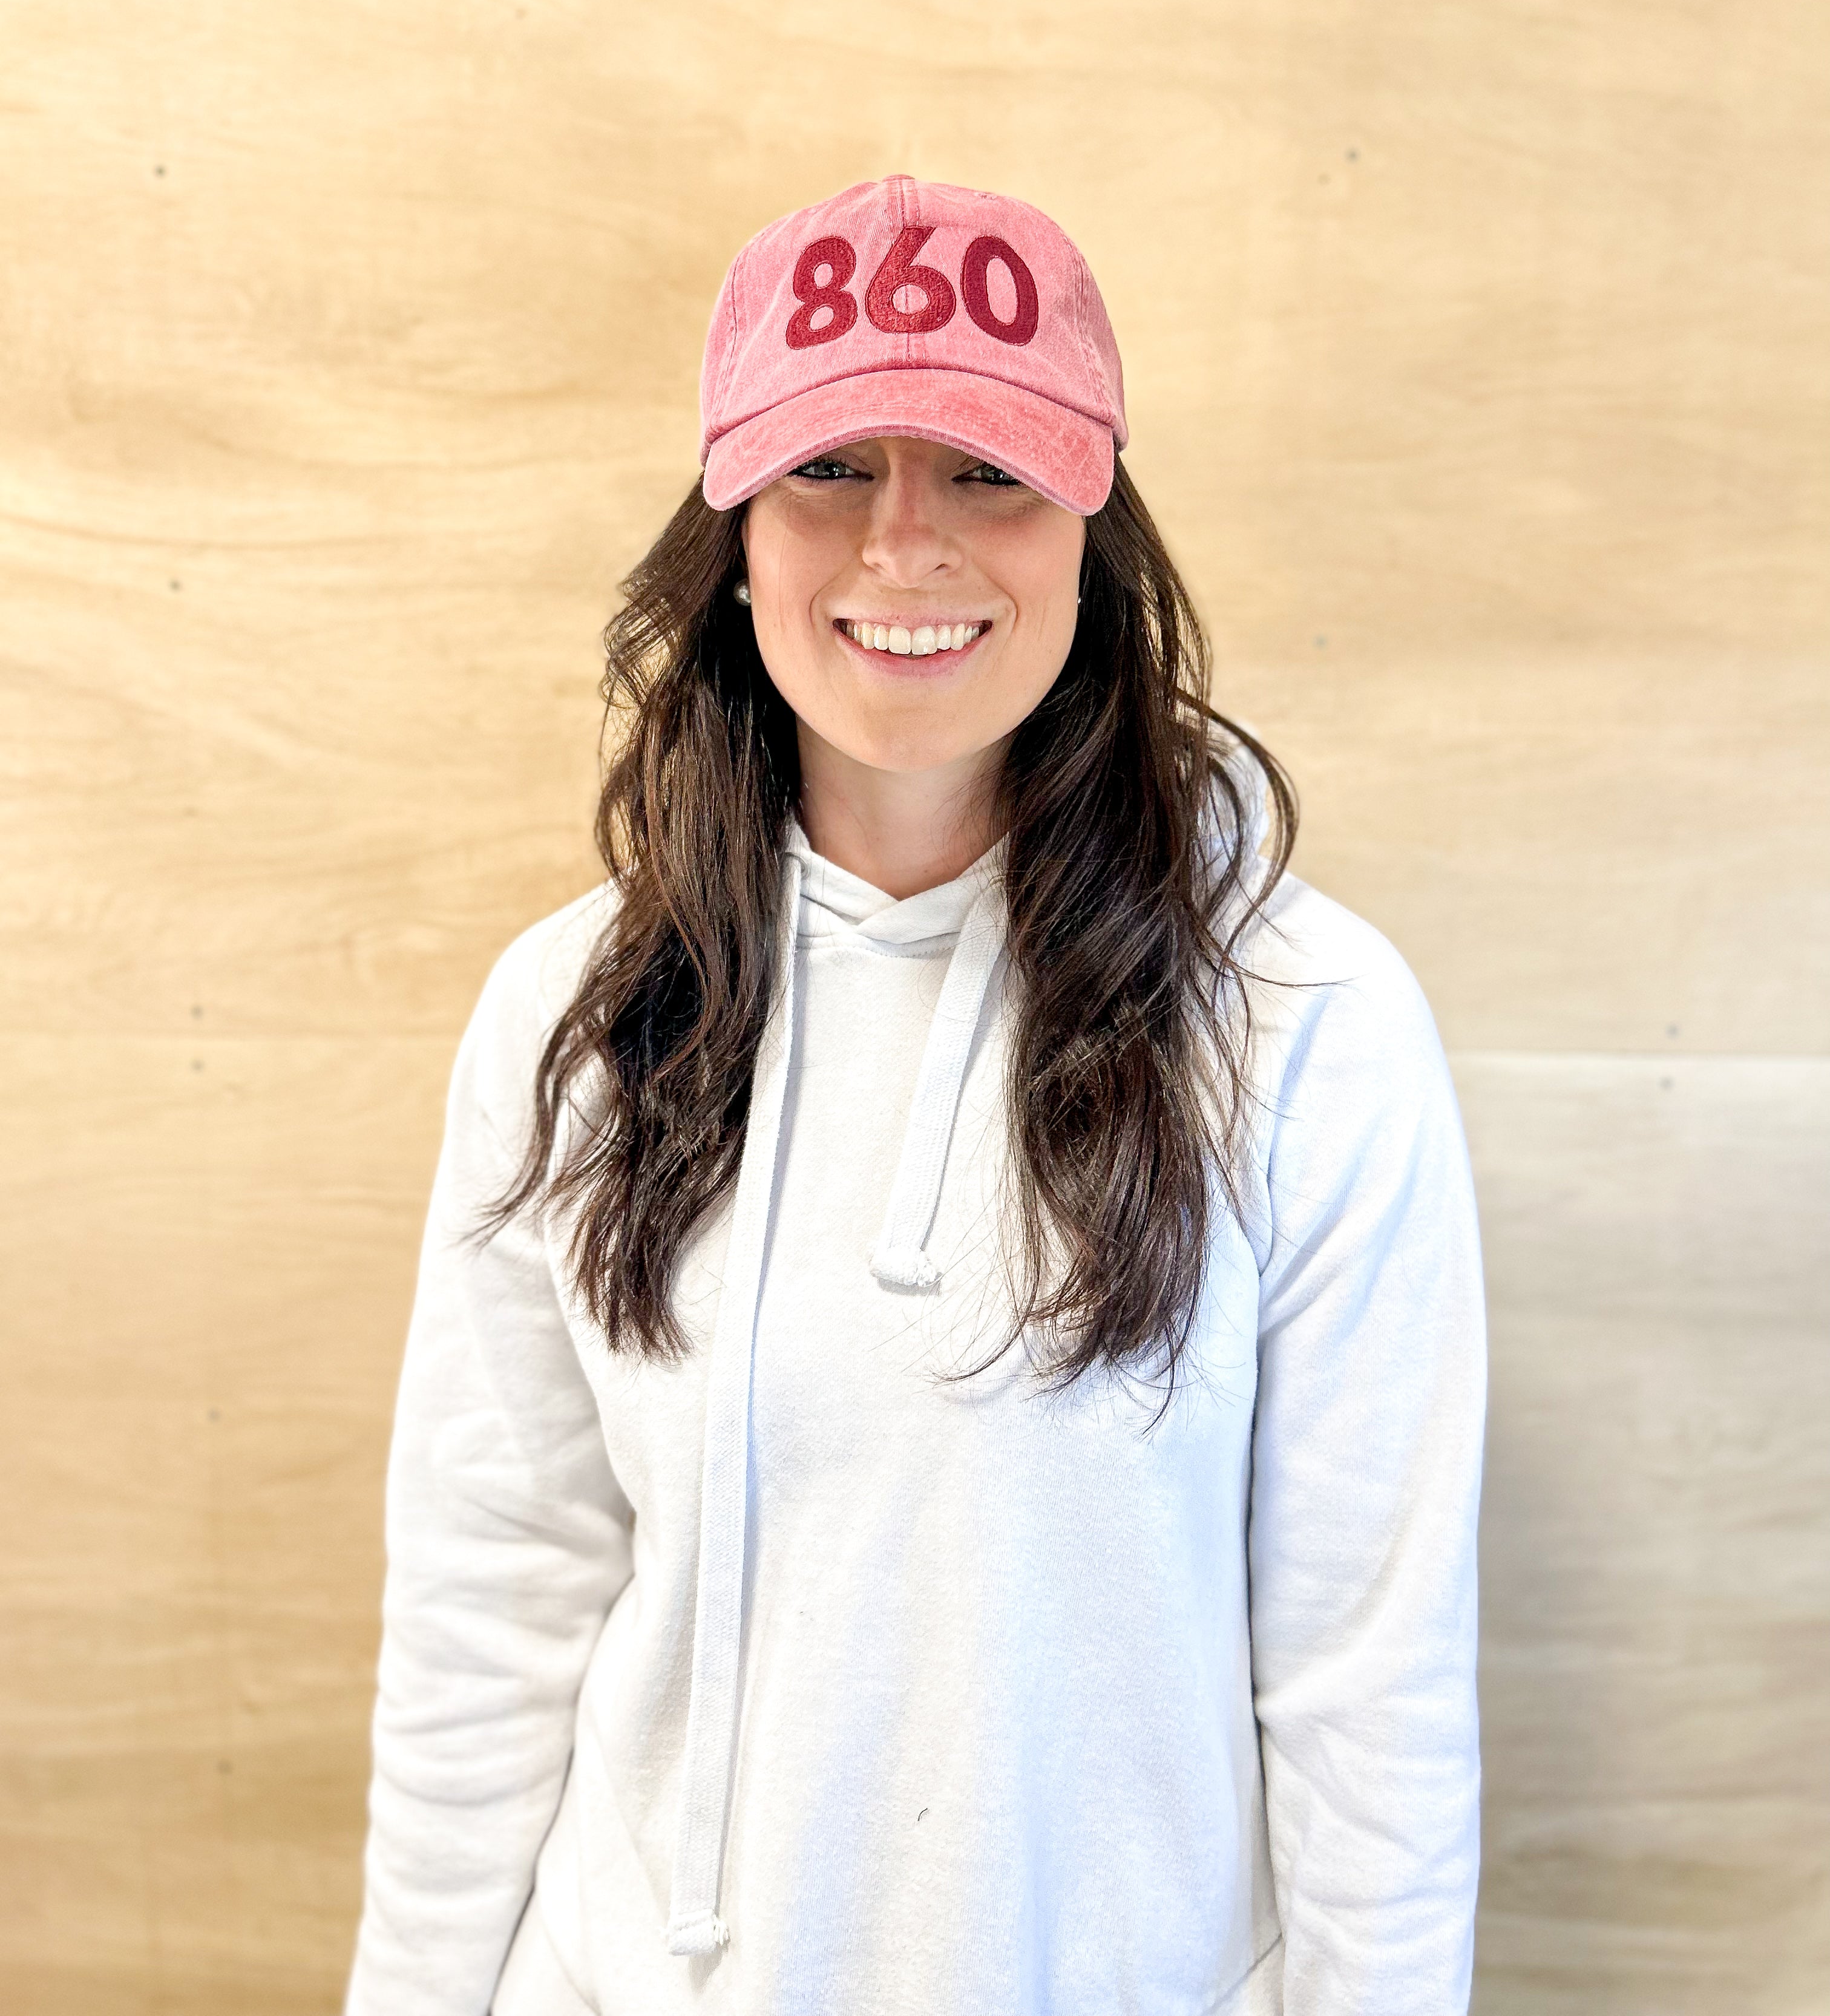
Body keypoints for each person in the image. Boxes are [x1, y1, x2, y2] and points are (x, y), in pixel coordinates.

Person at [343, 175, 1487, 2016]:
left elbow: (1371, 1690)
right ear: (727, 525)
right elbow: (495, 1612)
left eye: (983, 472)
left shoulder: (1310, 1026)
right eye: (830, 470)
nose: (903, 548)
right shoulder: (570, 1013)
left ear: (1092, 519)